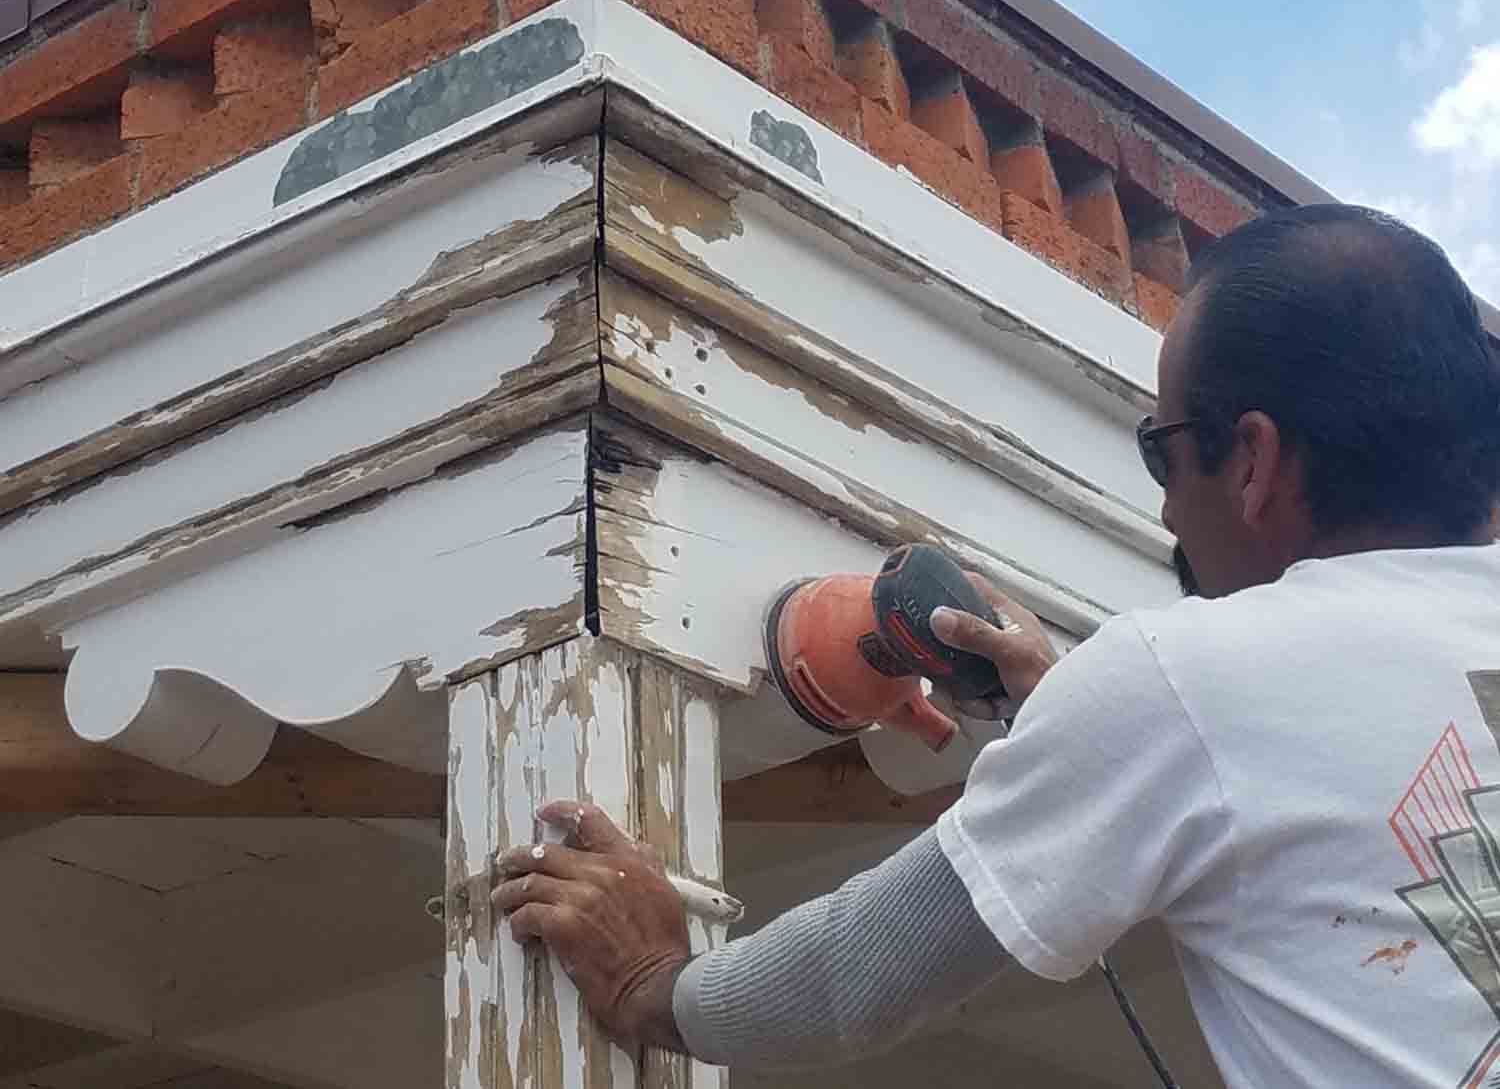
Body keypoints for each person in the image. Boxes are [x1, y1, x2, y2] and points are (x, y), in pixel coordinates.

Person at [490, 205, 1500, 1087]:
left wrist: (652, 985)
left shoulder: (1194, 675)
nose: (1161, 502)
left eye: (1164, 445)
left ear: (1254, 459)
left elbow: (861, 972)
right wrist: (1080, 724)